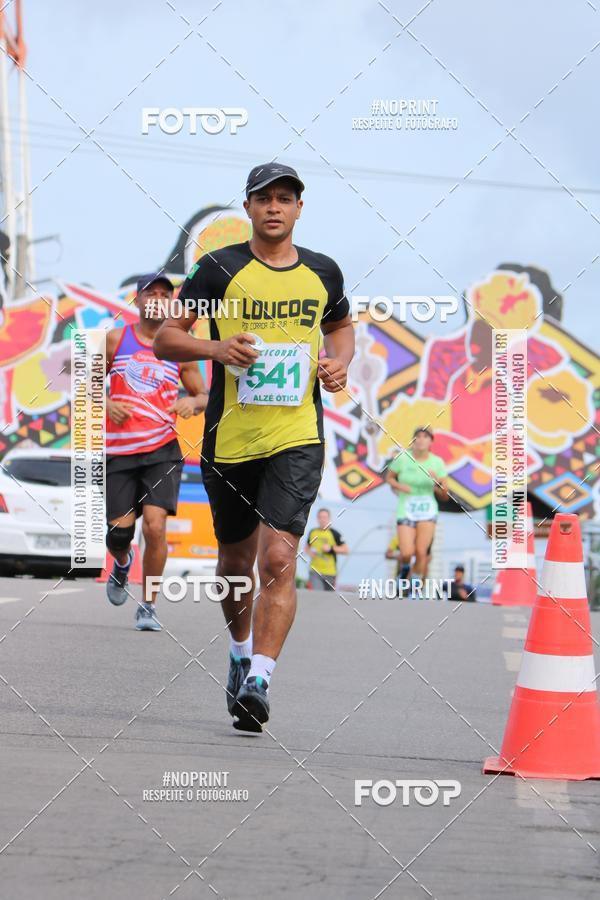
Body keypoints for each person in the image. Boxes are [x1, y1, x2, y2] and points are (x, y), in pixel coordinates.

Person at [154, 163, 355, 731]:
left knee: (278, 558)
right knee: (236, 562)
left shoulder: (322, 272)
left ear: (298, 209)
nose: (274, 207)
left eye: (285, 199)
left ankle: (261, 680)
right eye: (263, 198)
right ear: (247, 208)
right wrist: (216, 352)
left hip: (297, 436)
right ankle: (240, 653)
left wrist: (340, 363)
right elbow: (167, 339)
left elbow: (341, 328)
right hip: (229, 437)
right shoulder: (218, 269)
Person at [105, 273, 207, 630]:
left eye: (166, 294)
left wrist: (193, 401)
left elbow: (203, 394)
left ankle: (148, 605)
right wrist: (105, 402)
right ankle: (121, 563)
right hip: (118, 452)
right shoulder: (117, 338)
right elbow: (84, 382)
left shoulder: (181, 345)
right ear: (137, 300)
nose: (159, 298)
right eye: (152, 293)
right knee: (119, 534)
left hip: (163, 449)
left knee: (155, 526)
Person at [385, 427, 448, 595]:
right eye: (417, 437)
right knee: (406, 553)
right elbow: (389, 478)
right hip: (405, 509)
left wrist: (437, 482)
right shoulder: (403, 459)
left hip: (427, 511)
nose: (421, 440)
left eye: (425, 437)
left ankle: (414, 584)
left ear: (430, 442)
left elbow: (445, 495)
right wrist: (399, 486)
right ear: (413, 441)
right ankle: (405, 568)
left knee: (421, 552)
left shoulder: (437, 463)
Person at [305, 507, 348, 590]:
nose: (322, 520)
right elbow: (307, 547)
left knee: (328, 599)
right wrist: (310, 553)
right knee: (317, 595)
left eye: (324, 517)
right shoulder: (312, 532)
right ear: (317, 519)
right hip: (315, 571)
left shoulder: (335, 533)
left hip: (330, 572)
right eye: (320, 517)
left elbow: (346, 550)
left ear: (329, 519)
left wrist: (331, 548)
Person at [385, 532, 432, 596]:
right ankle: (404, 585)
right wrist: (398, 556)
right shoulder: (398, 538)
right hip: (402, 571)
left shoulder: (422, 539)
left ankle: (416, 588)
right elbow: (388, 554)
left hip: (417, 573)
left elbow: (429, 557)